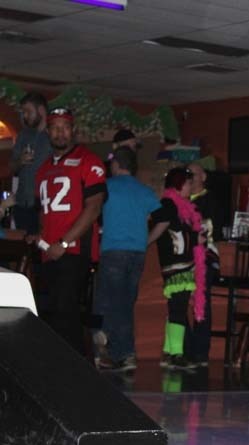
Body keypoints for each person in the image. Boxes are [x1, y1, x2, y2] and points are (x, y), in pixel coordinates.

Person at [35, 107, 106, 355]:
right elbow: (44, 211)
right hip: (48, 252)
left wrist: (64, 243)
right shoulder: (43, 169)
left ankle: (79, 370)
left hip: (74, 250)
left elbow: (94, 207)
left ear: (73, 131)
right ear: (48, 132)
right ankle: (60, 368)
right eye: (55, 127)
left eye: (65, 127)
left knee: (65, 309)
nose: (60, 132)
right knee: (52, 312)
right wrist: (40, 237)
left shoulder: (89, 161)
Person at [93, 147, 161, 371]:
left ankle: (112, 349)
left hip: (113, 251)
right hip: (137, 253)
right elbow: (164, 219)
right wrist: (147, 240)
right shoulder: (144, 191)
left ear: (116, 164)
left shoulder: (107, 188)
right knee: (124, 302)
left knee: (108, 302)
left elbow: (90, 212)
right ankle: (119, 352)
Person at [148, 167, 205, 369]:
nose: (191, 186)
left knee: (177, 307)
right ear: (179, 184)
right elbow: (162, 225)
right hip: (175, 265)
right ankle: (176, 355)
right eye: (188, 183)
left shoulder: (180, 206)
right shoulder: (168, 204)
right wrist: (145, 241)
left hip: (182, 264)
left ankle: (169, 353)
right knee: (178, 308)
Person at [185, 162, 220, 367]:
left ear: (204, 176)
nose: (190, 177)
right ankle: (188, 350)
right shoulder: (181, 199)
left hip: (204, 257)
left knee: (200, 303)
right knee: (179, 303)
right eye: (187, 174)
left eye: (194, 174)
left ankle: (200, 353)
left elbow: (207, 229)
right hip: (183, 260)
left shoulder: (211, 200)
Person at [9, 92, 52, 235]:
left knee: (43, 248)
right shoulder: (23, 135)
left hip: (45, 204)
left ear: (40, 110)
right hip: (22, 203)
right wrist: (20, 161)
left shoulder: (55, 135)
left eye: (28, 111)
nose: (25, 116)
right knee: (25, 251)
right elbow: (11, 167)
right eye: (24, 112)